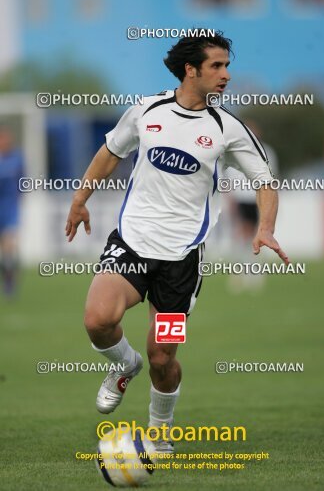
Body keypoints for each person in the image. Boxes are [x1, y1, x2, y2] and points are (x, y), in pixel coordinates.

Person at [65, 30, 289, 453]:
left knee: (163, 356)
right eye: (216, 66)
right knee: (97, 319)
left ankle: (161, 431)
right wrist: (80, 200)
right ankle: (122, 365)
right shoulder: (147, 111)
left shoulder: (227, 128)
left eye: (227, 66)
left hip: (182, 260)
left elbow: (264, 182)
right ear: (191, 70)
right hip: (132, 242)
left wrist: (266, 226)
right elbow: (110, 152)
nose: (225, 75)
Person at [225, 119, 279, 292]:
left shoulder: (267, 151)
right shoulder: (236, 150)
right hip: (242, 198)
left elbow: (272, 178)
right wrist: (231, 198)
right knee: (242, 236)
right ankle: (238, 273)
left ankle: (253, 274)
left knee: (257, 237)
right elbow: (230, 177)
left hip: (259, 199)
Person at [0, 126, 24, 297]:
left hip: (10, 208)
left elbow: (23, 179)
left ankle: (10, 282)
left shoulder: (17, 158)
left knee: (9, 246)